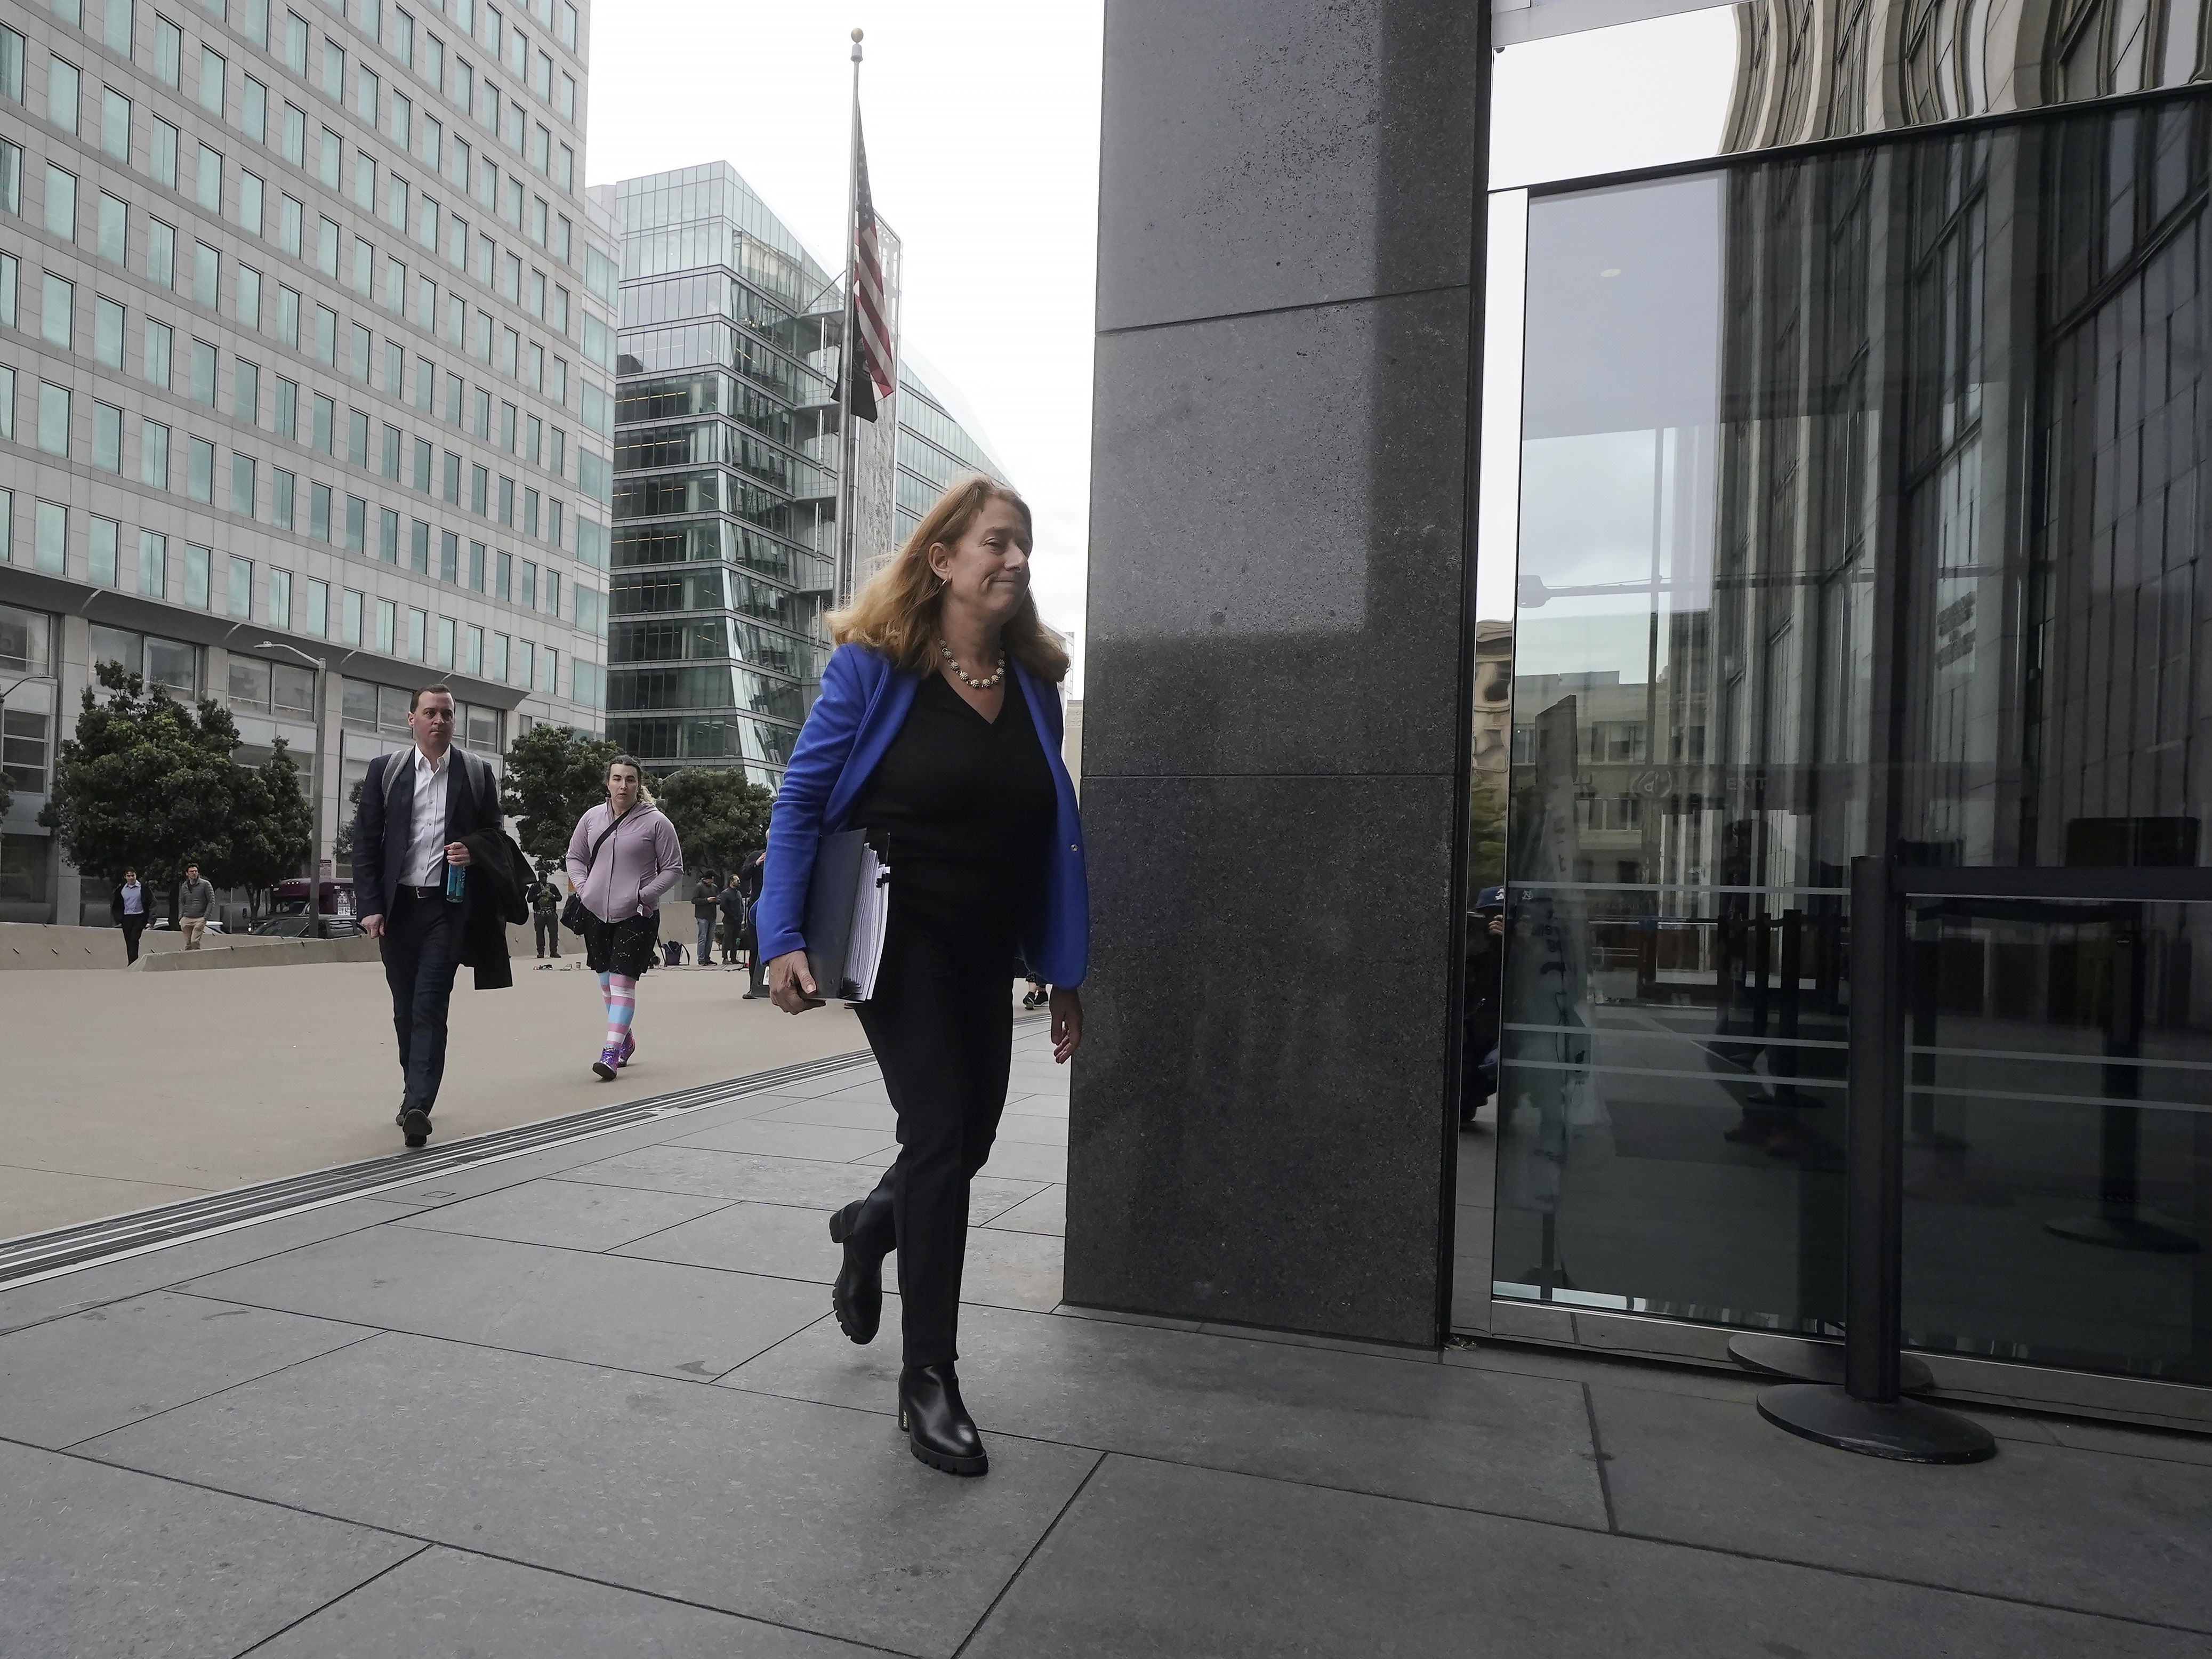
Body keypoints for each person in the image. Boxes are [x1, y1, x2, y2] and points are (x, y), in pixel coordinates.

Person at [758, 474, 1087, 1479]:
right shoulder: (873, 667)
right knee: (939, 1129)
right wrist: (778, 934)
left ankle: (868, 1227)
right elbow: (801, 800)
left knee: (970, 1136)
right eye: (995, 543)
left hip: (984, 941)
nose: (1014, 561)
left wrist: (1063, 972)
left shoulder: (1032, 686)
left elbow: (1049, 841)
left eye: (1022, 546)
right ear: (941, 560)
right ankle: (927, 1380)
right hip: (894, 931)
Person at [350, 686, 508, 1148]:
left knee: (430, 1005)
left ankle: (419, 1104)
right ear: (412, 719)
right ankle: (411, 1090)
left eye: (446, 714)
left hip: (447, 907)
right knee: (404, 1009)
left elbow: (495, 834)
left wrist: (472, 852)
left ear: (453, 721)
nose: (438, 720)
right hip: (399, 908)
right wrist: (371, 907)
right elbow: (364, 844)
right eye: (430, 713)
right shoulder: (387, 772)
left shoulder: (476, 774)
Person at [565, 756, 685, 1080]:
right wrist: (585, 887)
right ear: (608, 783)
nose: (623, 785)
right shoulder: (591, 818)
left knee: (622, 984)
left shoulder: (657, 823)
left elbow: (674, 868)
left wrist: (644, 895)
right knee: (606, 984)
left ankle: (610, 1051)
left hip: (637, 914)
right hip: (595, 913)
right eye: (617, 778)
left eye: (630, 779)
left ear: (638, 784)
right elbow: (575, 856)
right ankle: (626, 1040)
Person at [1462, 887, 1505, 1130]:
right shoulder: (1473, 940)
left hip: (1499, 1019)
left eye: (1502, 916)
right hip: (1474, 1019)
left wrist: (1512, 943)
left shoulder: (1520, 943)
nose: (1496, 922)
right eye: (1490, 915)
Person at [737, 846, 769, 998]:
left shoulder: (783, 853)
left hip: (777, 904)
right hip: (757, 904)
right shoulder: (756, 855)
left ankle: (774, 985)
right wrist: (756, 864)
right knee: (755, 947)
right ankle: (754, 986)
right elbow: (742, 875)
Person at [111, 868, 150, 963]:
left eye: (133, 876)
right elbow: (117, 904)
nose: (131, 878)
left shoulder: (143, 887)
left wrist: (150, 919)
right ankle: (132, 962)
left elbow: (150, 902)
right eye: (129, 876)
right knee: (129, 941)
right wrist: (119, 919)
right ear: (125, 877)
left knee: (134, 938)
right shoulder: (122, 889)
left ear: (136, 875)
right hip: (127, 918)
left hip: (139, 917)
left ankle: (134, 961)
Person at [176, 863, 215, 949]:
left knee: (195, 941)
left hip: (200, 918)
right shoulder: (184, 886)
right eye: (192, 871)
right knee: (188, 944)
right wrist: (181, 916)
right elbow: (181, 901)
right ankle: (188, 961)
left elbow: (211, 901)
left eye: (196, 871)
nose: (194, 873)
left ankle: (198, 958)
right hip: (187, 917)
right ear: (187, 873)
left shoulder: (205, 884)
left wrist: (206, 917)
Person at [530, 871, 563, 959]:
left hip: (551, 912)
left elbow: (560, 898)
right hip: (539, 913)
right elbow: (529, 899)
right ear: (539, 878)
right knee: (540, 933)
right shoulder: (535, 887)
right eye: (542, 877)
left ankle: (554, 952)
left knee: (553, 932)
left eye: (545, 877)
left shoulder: (552, 886)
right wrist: (539, 895)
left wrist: (552, 896)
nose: (544, 879)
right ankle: (541, 952)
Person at [689, 872, 720, 968]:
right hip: (702, 916)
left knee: (710, 938)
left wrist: (716, 900)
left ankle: (707, 957)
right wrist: (707, 900)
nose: (712, 881)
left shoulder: (714, 887)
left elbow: (719, 898)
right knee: (703, 937)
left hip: (712, 916)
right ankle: (701, 958)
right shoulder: (699, 887)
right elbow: (694, 900)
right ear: (707, 879)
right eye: (711, 879)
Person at [718, 873, 748, 965]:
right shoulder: (725, 893)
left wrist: (741, 915)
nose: (739, 882)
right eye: (737, 880)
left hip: (738, 921)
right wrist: (732, 915)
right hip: (729, 921)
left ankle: (734, 957)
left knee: (736, 939)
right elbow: (723, 906)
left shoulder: (738, 893)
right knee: (727, 939)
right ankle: (725, 957)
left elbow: (741, 906)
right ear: (732, 882)